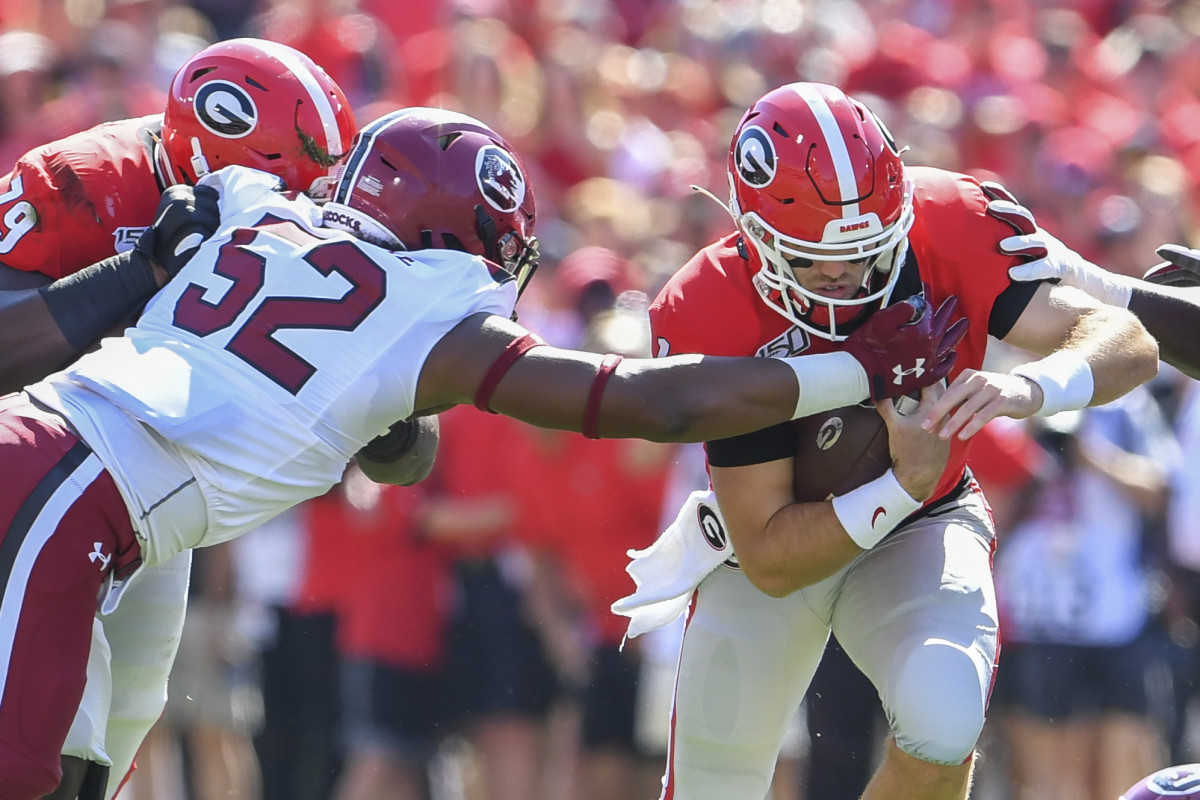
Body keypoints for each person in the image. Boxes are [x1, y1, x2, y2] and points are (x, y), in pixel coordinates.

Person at [0, 104, 965, 799]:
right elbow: (657, 404)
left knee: (81, 769)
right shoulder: (432, 314)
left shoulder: (253, 205)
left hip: (67, 475)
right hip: (74, 486)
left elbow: (394, 451)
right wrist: (855, 365)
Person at [618, 82, 1159, 800]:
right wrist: (898, 480)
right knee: (714, 786)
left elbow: (1126, 341)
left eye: (868, 249)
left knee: (944, 717)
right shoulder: (707, 306)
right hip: (772, 550)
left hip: (923, 522)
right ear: (755, 234)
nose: (845, 274)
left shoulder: (948, 219)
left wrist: (1029, 387)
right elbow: (773, 558)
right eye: (815, 258)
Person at [0, 37, 357, 799]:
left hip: (153, 493)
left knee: (123, 720)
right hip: (34, 475)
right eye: (284, 185)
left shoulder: (310, 226)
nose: (301, 211)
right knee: (53, 720)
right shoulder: (80, 183)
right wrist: (143, 270)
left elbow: (404, 450)